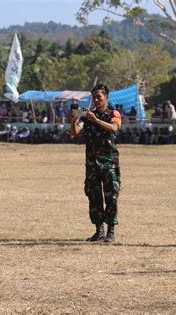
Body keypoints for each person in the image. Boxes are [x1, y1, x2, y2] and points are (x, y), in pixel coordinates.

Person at [70, 84, 121, 243]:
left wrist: (96, 120)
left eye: (99, 97)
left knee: (111, 196)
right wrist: (74, 120)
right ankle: (99, 230)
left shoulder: (113, 113)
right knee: (94, 196)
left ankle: (111, 231)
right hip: (92, 163)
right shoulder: (86, 114)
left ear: (106, 97)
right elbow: (75, 133)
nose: (96, 100)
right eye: (94, 97)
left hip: (109, 162)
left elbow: (113, 128)